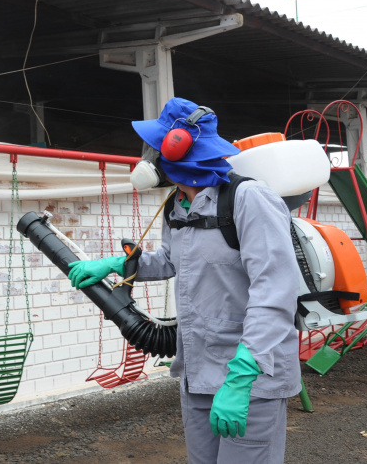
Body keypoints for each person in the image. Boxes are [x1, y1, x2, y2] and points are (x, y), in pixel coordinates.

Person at [67, 98, 301, 464]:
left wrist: (241, 380)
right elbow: (171, 261)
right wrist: (117, 264)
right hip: (198, 370)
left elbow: (275, 294)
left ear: (177, 147)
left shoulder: (248, 199)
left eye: (154, 147)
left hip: (251, 376)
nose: (148, 158)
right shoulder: (178, 206)